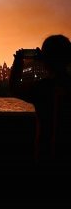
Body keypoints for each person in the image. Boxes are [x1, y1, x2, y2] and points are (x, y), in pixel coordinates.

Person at [10, 35, 71, 163]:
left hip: (45, 155)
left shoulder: (42, 88)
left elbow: (14, 88)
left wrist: (18, 63)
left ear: (45, 60)